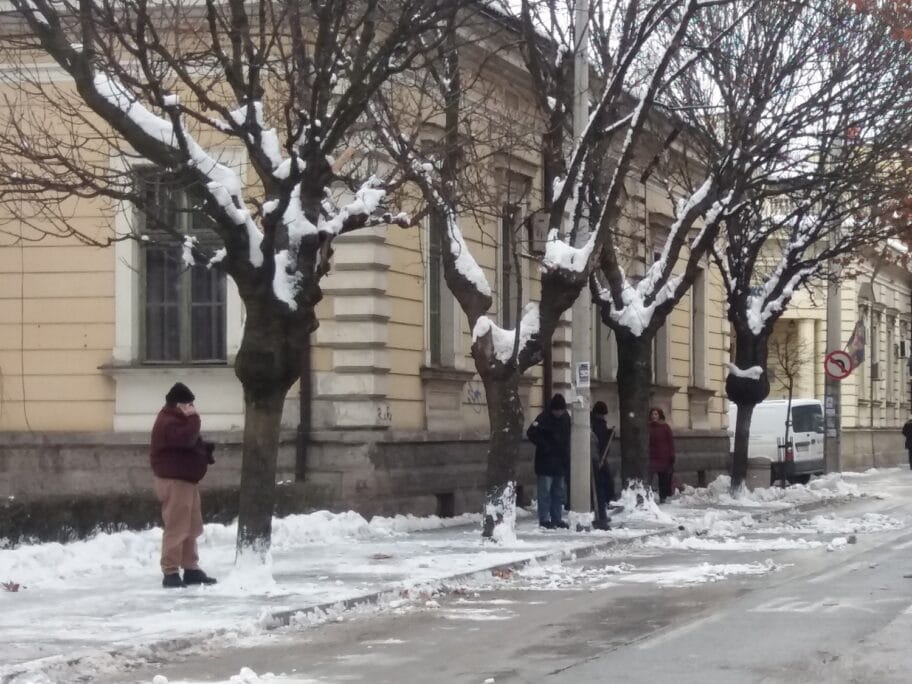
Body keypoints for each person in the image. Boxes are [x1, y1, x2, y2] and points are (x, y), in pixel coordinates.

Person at [150, 382, 218, 588]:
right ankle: (170, 571)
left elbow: (187, 445)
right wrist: (195, 419)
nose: (192, 409)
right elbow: (187, 440)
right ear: (179, 404)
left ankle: (191, 568)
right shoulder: (168, 421)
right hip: (175, 480)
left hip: (186, 480)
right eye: (189, 404)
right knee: (177, 526)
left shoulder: (176, 420)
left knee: (191, 525)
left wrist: (203, 452)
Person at [527, 394, 571, 529]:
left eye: (561, 410)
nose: (559, 413)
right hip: (545, 462)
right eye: (557, 410)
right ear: (552, 409)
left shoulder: (565, 418)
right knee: (545, 492)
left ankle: (557, 518)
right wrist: (545, 446)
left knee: (558, 492)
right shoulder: (543, 418)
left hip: (560, 461)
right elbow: (531, 432)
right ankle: (544, 519)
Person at [590, 401, 616, 528]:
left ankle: (601, 513)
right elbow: (598, 443)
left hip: (599, 460)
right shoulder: (594, 425)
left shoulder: (598, 424)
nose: (603, 417)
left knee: (602, 487)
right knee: (599, 489)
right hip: (596, 460)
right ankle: (600, 515)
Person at [649, 407, 675, 504]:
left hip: (664, 456)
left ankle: (662, 497)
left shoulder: (665, 427)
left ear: (660, 415)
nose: (653, 416)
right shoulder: (649, 427)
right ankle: (648, 496)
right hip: (652, 456)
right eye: (652, 414)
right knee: (649, 477)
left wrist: (672, 454)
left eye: (656, 414)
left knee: (663, 478)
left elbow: (670, 441)